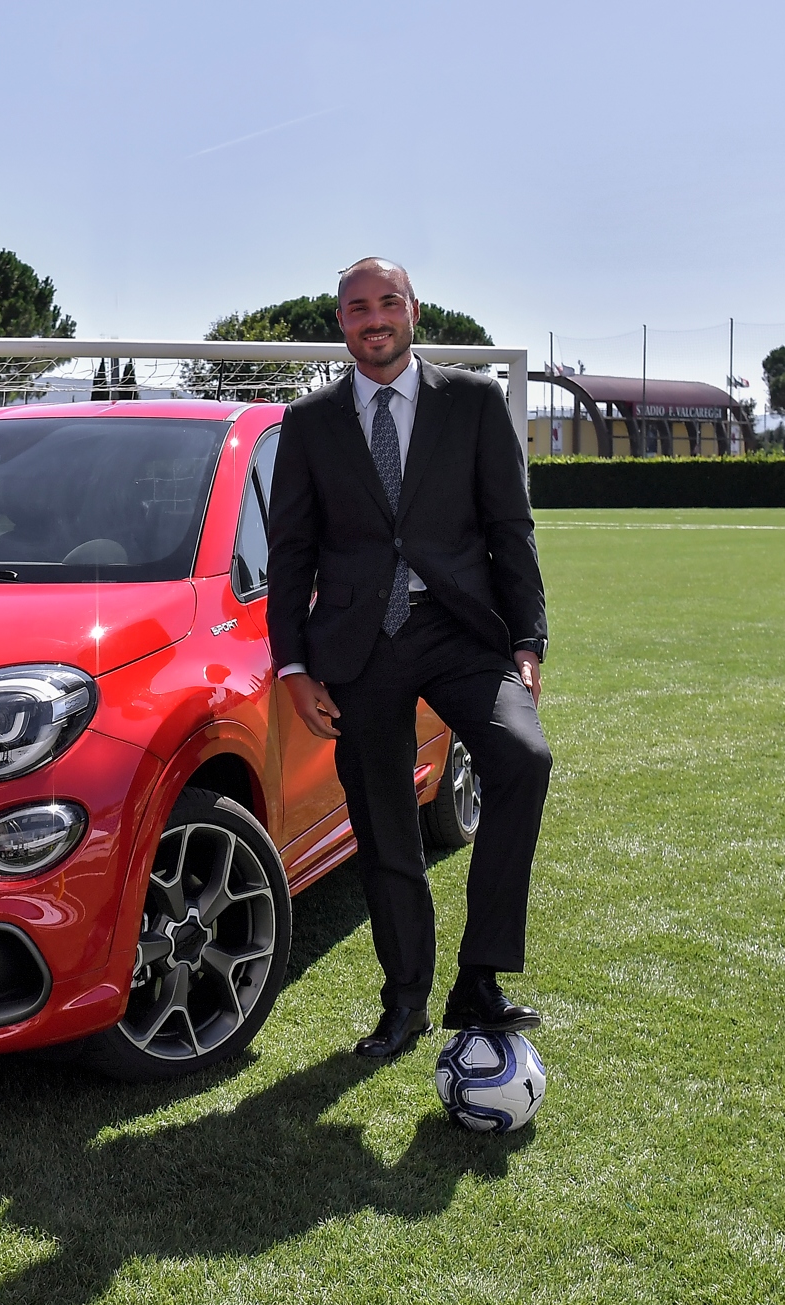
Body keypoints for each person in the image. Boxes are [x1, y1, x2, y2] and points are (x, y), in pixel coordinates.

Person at [266, 258, 553, 1059]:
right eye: (358, 308)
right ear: (341, 323)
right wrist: (293, 665)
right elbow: (290, 554)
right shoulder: (311, 423)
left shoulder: (474, 402)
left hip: (463, 630)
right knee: (386, 829)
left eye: (388, 302)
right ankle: (405, 1003)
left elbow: (511, 527)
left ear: (414, 310)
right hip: (359, 651)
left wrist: (528, 638)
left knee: (524, 758)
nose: (375, 318)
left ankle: (482, 978)